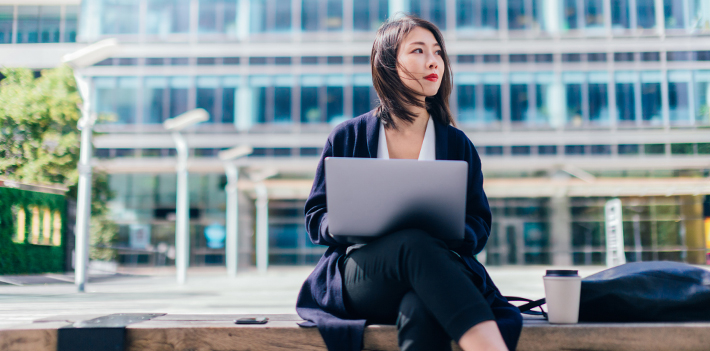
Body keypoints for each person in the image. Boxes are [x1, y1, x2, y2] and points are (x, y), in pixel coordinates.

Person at [296, 14, 523, 351]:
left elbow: (479, 222)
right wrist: (344, 222)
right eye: (418, 51)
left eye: (437, 52)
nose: (433, 61)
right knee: (411, 243)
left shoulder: (457, 144)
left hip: (435, 273)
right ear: (389, 63)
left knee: (421, 306)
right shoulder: (348, 136)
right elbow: (316, 217)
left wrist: (454, 232)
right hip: (364, 277)